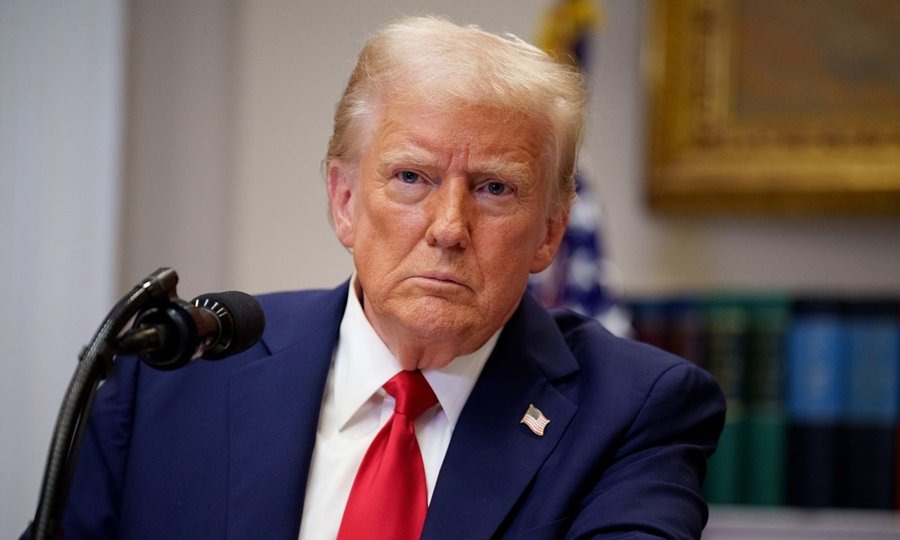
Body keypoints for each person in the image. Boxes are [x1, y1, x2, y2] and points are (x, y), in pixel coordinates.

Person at [59, 15, 724, 539]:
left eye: (495, 188)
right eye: (412, 177)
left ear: (550, 230)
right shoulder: (170, 378)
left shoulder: (635, 413)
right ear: (344, 200)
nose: (448, 227)